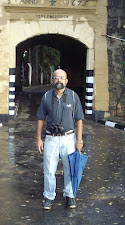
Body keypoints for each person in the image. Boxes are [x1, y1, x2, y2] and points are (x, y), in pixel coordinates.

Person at [36, 69, 84, 210]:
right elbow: (40, 118)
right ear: (52, 80)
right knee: (49, 170)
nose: (59, 80)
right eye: (56, 78)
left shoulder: (74, 97)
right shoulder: (46, 97)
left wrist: (79, 141)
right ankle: (49, 196)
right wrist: (39, 139)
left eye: (62, 78)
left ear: (66, 81)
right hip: (51, 138)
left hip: (69, 138)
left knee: (69, 168)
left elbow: (79, 120)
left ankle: (69, 195)